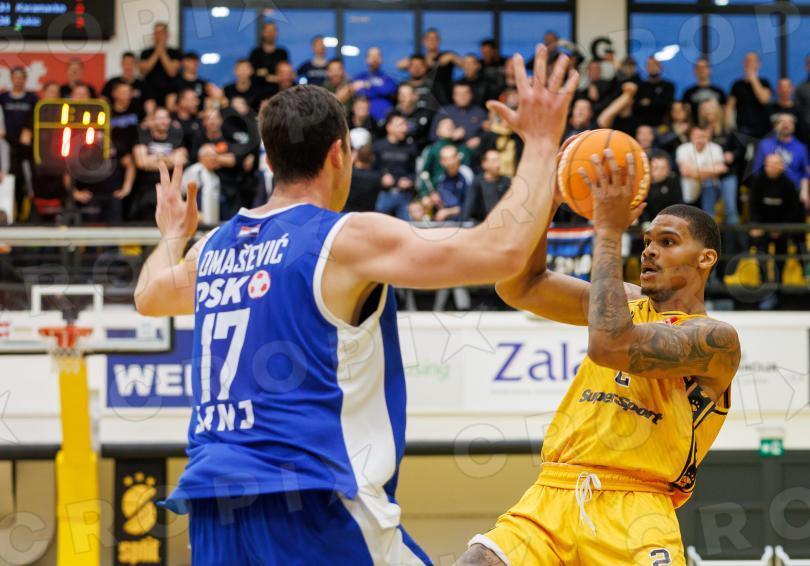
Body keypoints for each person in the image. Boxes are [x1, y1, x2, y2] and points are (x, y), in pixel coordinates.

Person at [134, 45, 579, 565]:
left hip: (214, 510)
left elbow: (148, 297)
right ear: (338, 154)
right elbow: (500, 251)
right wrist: (542, 142)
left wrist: (171, 235)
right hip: (313, 502)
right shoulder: (342, 238)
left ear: (270, 161)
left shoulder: (213, 247)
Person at [460, 161, 740, 566]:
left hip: (636, 509)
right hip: (553, 495)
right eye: (646, 241)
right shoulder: (623, 301)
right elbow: (519, 286)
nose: (649, 250)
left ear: (705, 258)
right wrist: (550, 201)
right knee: (477, 561)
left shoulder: (716, 340)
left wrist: (608, 231)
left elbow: (611, 344)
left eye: (667, 242)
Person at [131, 107, 187, 221]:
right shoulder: (143, 137)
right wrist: (168, 159)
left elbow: (180, 161)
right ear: (152, 121)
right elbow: (141, 162)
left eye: (166, 118)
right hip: (145, 190)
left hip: (171, 190)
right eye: (159, 118)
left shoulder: (176, 137)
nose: (163, 121)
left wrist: (155, 158)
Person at [677, 126, 738, 225]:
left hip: (710, 188)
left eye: (703, 136)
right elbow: (685, 171)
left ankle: (712, 224)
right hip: (689, 192)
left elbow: (721, 169)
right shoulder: (683, 148)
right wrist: (710, 172)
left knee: (709, 185)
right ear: (691, 136)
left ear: (708, 137)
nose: (700, 139)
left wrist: (695, 171)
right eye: (696, 136)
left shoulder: (715, 148)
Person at [752, 113, 810, 209]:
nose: (785, 125)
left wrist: (805, 192)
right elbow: (756, 172)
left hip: (794, 191)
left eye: (789, 122)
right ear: (775, 125)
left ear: (794, 126)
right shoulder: (765, 144)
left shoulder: (801, 147)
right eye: (781, 121)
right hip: (769, 190)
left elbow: (805, 173)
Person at [373, 113, 419, 220]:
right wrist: (381, 178)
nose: (404, 129)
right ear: (389, 127)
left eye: (405, 125)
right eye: (400, 125)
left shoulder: (411, 147)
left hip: (404, 194)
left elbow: (414, 171)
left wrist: (409, 180)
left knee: (408, 224)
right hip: (383, 193)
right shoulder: (378, 147)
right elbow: (370, 170)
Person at [727, 52, 772, 138]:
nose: (750, 64)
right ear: (743, 64)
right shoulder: (737, 84)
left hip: (762, 128)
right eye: (747, 61)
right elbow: (730, 107)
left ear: (758, 64)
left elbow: (764, 100)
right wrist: (729, 125)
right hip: (742, 128)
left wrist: (754, 80)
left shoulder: (764, 82)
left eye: (753, 61)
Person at [430, 82, 487, 147]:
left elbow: (487, 133)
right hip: (445, 148)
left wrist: (479, 139)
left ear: (471, 95)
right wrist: (450, 136)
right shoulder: (445, 111)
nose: (462, 97)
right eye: (458, 94)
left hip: (470, 149)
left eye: (465, 93)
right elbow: (432, 136)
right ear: (453, 96)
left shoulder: (480, 113)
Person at [140, 22, 182, 106]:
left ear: (167, 35)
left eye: (161, 33)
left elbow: (172, 72)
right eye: (156, 33)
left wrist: (162, 51)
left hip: (170, 94)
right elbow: (143, 71)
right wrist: (157, 52)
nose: (159, 36)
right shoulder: (145, 53)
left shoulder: (175, 52)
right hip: (150, 93)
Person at [352, 47, 398, 122]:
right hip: (363, 120)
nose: (374, 59)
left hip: (384, 120)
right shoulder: (359, 77)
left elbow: (387, 90)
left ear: (381, 59)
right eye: (372, 56)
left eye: (377, 56)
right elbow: (357, 92)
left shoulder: (388, 79)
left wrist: (367, 85)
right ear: (366, 59)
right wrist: (378, 89)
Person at [464, 149, 511, 221]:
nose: (497, 165)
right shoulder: (477, 182)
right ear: (484, 164)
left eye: (498, 160)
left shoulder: (506, 182)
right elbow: (469, 205)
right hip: (482, 222)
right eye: (494, 161)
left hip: (503, 221)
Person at [641, 152, 683, 223]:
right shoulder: (643, 182)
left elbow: (678, 204)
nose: (659, 172)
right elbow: (642, 207)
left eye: (663, 168)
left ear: (669, 168)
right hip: (648, 221)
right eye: (655, 168)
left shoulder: (673, 180)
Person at [249, 21, 290, 92]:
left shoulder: (282, 53)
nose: (271, 33)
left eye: (273, 31)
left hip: (279, 91)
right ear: (263, 33)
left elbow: (286, 74)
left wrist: (265, 76)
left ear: (277, 33)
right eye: (268, 31)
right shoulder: (255, 53)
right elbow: (251, 74)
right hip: (258, 92)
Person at [635, 57, 675, 127]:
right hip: (643, 126)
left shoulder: (668, 86)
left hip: (663, 125)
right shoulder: (640, 87)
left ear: (661, 67)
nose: (652, 67)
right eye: (649, 65)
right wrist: (656, 101)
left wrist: (649, 102)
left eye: (655, 64)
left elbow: (666, 104)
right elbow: (637, 107)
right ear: (646, 68)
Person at [346, 144, 382, 213]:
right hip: (367, 213)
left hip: (348, 212)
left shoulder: (349, 174)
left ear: (356, 156)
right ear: (372, 158)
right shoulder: (376, 177)